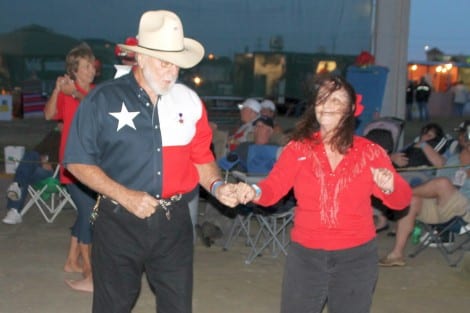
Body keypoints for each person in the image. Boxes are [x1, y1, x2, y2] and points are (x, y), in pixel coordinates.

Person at [62, 10, 238, 313]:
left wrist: (218, 185)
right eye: (164, 62)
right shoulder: (103, 99)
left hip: (175, 223)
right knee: (113, 305)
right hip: (119, 221)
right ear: (140, 58)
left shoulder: (189, 101)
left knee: (177, 305)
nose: (172, 72)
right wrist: (124, 195)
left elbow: (201, 158)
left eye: (176, 64)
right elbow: (76, 161)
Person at [235, 73, 412, 313]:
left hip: (356, 258)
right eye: (322, 99)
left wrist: (390, 186)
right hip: (306, 257)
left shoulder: (370, 152)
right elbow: (272, 189)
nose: (327, 105)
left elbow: (402, 201)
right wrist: (252, 190)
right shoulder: (298, 148)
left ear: (351, 109)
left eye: (336, 100)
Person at [44, 42, 97, 293]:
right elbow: (49, 114)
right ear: (74, 70)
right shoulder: (66, 92)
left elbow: (94, 110)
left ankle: (70, 260)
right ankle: (89, 272)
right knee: (89, 213)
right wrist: (57, 90)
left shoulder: (94, 93)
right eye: (85, 67)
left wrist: (75, 92)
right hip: (73, 167)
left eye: (92, 66)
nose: (91, 71)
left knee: (86, 212)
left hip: (93, 166)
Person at [379, 120, 470, 267]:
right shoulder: (454, 158)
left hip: (464, 210)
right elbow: (440, 176)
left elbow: (443, 182)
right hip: (441, 207)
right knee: (413, 200)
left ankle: (399, 194)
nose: (459, 137)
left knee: (441, 183)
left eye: (462, 134)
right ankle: (396, 254)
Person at [2, 126, 61, 224]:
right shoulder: (55, 133)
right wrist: (44, 159)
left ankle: (15, 206)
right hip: (42, 168)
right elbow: (38, 150)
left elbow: (72, 159)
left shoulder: (74, 136)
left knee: (24, 173)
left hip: (58, 172)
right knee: (31, 155)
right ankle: (16, 198)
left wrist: (53, 165)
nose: (59, 124)